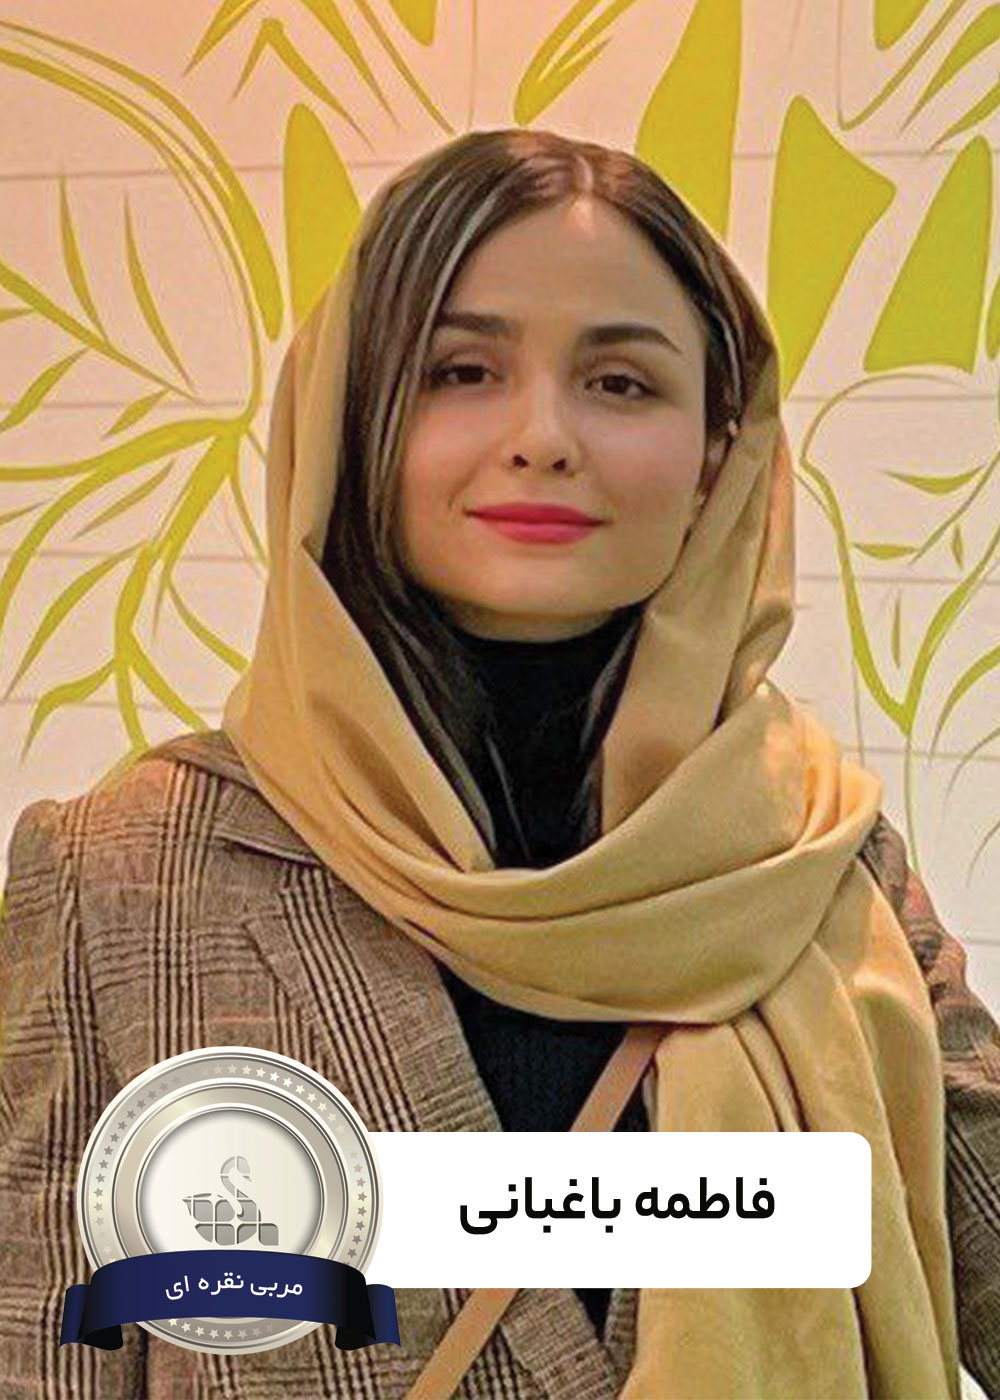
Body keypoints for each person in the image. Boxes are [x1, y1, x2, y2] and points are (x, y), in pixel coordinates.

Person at [1, 127, 998, 1399]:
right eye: (460, 371)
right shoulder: (125, 874)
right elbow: (48, 1359)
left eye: (621, 382)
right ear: (347, 422)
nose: (541, 436)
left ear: (717, 454)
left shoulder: (811, 859)